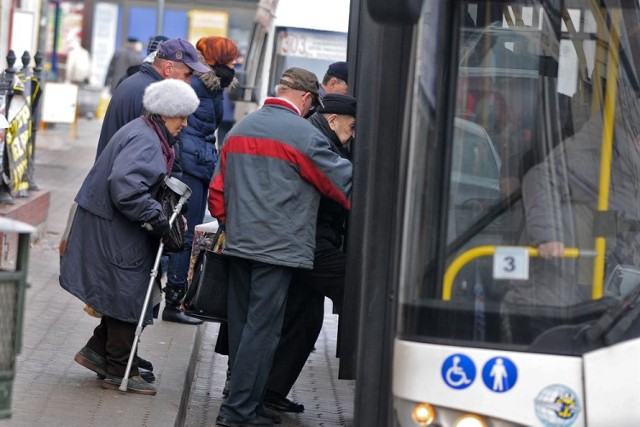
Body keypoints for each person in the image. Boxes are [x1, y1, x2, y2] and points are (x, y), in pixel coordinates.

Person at [208, 68, 352, 427]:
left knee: (242, 328)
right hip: (279, 250)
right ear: (305, 99)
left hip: (239, 244)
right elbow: (343, 186)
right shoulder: (302, 136)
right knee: (264, 330)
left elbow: (216, 194)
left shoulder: (240, 129)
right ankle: (238, 412)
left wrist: (233, 227)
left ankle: (247, 404)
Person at [59, 79, 200, 395]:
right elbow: (126, 187)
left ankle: (97, 352)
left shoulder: (146, 131)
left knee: (122, 290)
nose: (185, 123)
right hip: (114, 230)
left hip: (112, 226)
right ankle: (121, 369)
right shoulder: (146, 140)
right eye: (182, 117)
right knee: (128, 294)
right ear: (165, 114)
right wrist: (158, 219)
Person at [264, 93, 356, 413]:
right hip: (310, 241)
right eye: (352, 126)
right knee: (355, 285)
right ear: (333, 120)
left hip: (310, 239)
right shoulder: (319, 143)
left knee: (304, 319)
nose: (353, 134)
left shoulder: (323, 138)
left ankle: (270, 391)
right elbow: (337, 190)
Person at [163, 36, 239, 325]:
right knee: (184, 231)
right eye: (231, 61)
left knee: (185, 230)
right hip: (195, 163)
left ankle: (176, 297)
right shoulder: (205, 86)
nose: (234, 66)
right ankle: (175, 299)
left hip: (196, 161)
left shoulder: (205, 85)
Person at [95, 38, 209, 159]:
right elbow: (146, 153)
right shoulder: (152, 95)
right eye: (187, 74)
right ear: (168, 68)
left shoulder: (140, 83)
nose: (189, 81)